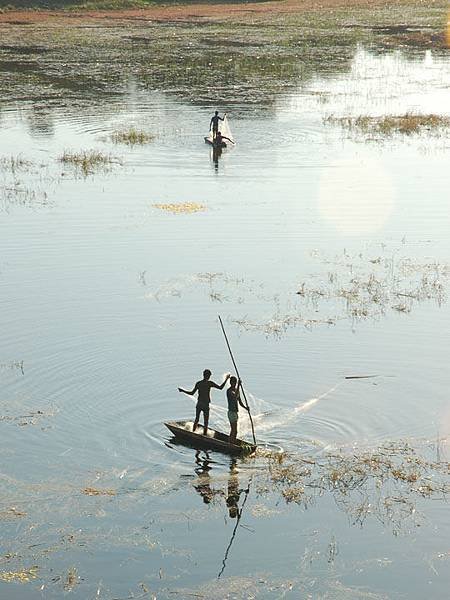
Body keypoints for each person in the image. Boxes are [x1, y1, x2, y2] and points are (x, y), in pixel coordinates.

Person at [178, 369, 230, 435]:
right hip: (205, 404)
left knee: (197, 419)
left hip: (200, 403)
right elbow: (220, 387)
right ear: (207, 376)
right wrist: (226, 379)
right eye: (209, 376)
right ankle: (204, 435)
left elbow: (191, 393)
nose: (209, 377)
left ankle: (193, 432)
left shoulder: (199, 383)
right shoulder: (209, 383)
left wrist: (183, 390)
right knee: (205, 421)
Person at [226, 376, 247, 444]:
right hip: (231, 412)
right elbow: (234, 397)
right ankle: (230, 443)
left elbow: (240, 402)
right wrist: (239, 385)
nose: (234, 384)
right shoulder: (229, 391)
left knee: (235, 430)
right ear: (230, 383)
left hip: (235, 412)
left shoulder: (236, 390)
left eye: (235, 383)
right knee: (234, 430)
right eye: (233, 382)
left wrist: (246, 407)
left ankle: (232, 442)